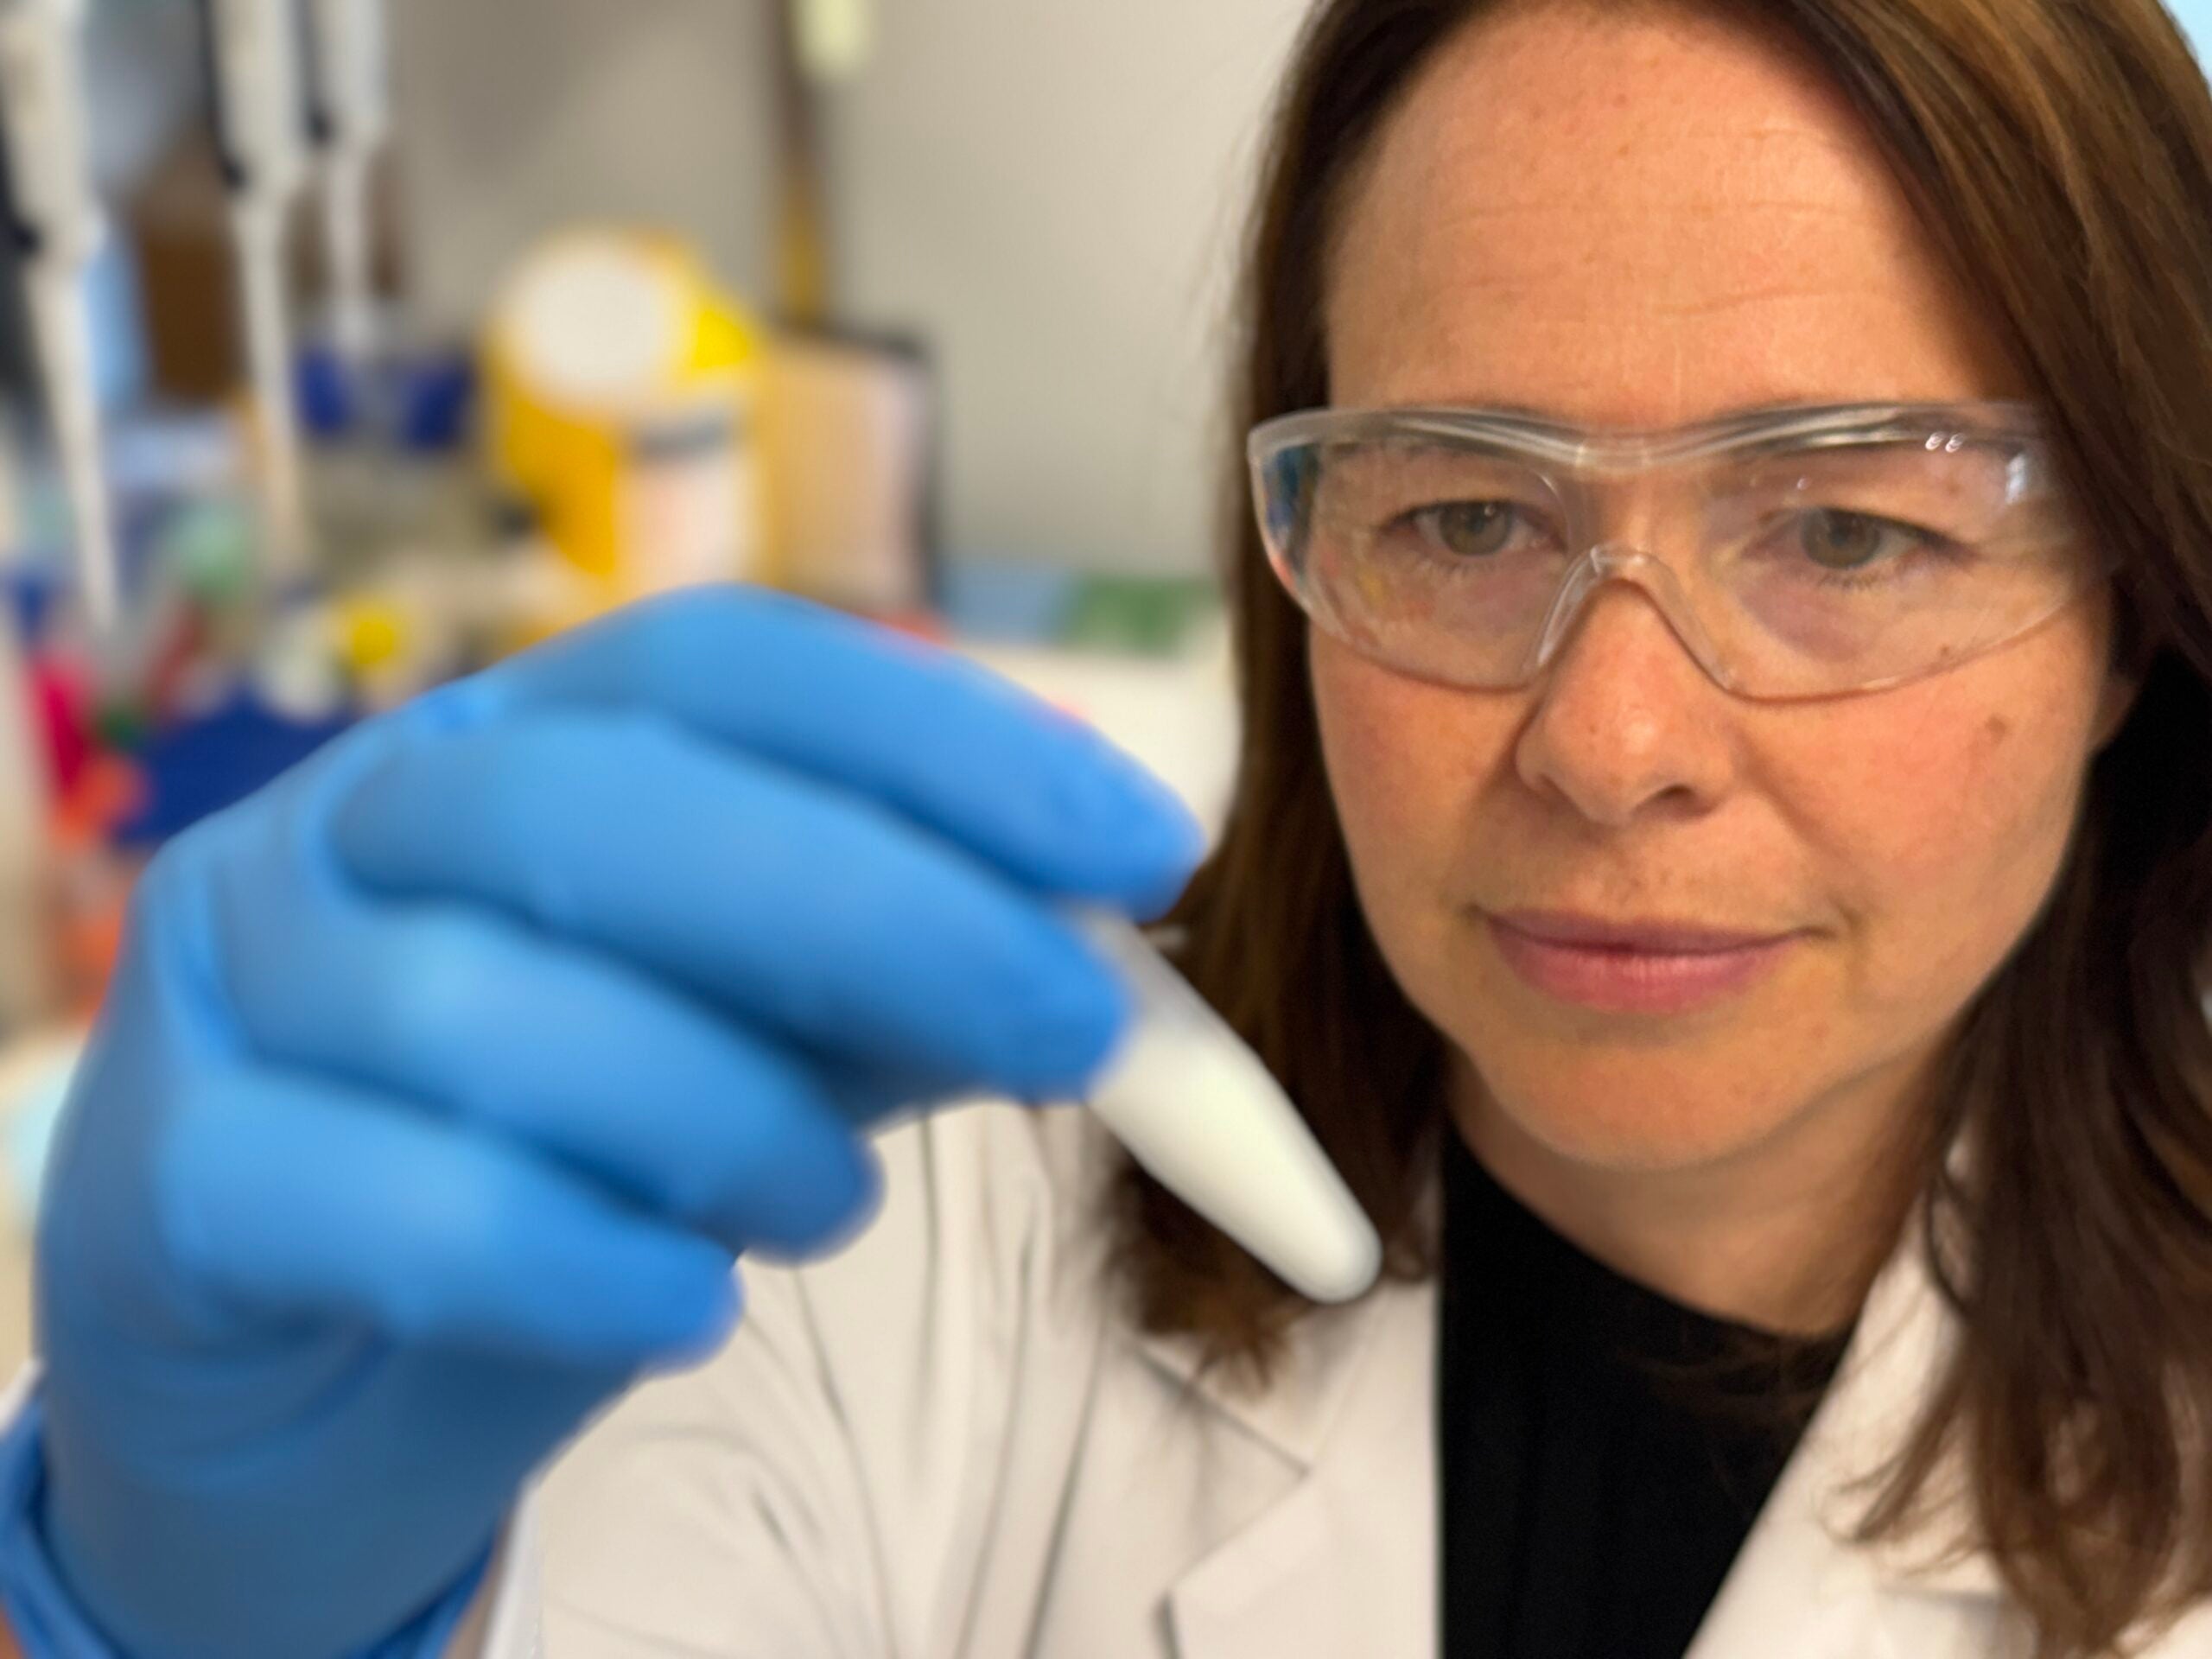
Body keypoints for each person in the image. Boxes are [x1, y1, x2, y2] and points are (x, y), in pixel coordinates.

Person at [3, 0, 2212, 1653]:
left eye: (1841, 528)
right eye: (1459, 511)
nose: (1607, 740)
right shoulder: (857, 1229)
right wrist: (162, 1610)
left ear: (2129, 612)